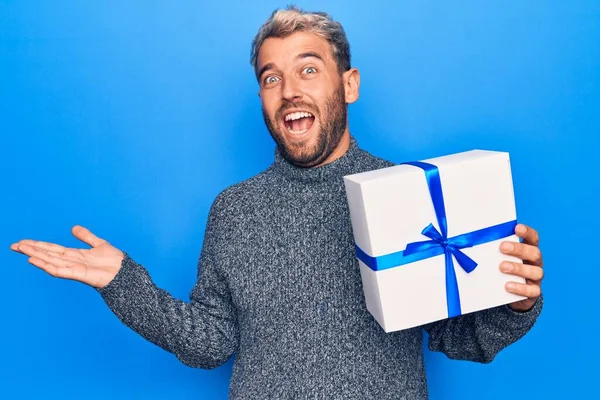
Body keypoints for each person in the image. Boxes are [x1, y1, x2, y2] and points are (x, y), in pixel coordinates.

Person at [10, 6, 544, 399]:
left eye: (308, 69)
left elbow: (458, 336)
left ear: (349, 84)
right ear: (263, 97)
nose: (289, 89)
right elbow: (211, 344)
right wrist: (123, 282)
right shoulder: (234, 210)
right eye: (272, 77)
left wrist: (516, 302)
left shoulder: (405, 192)